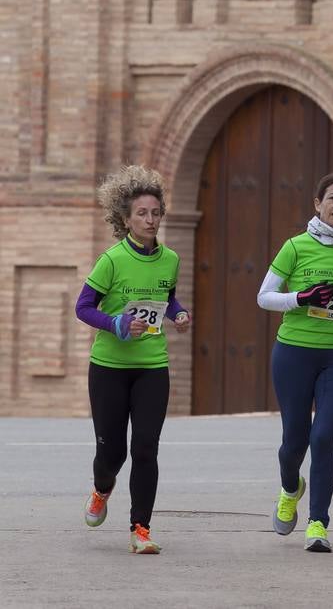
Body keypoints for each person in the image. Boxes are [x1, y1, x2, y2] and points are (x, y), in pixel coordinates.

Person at [75, 165, 190, 554]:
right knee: (112, 452)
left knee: (145, 448)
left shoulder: (170, 259)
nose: (150, 219)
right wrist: (117, 323)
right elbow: (83, 307)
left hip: (152, 367)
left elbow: (166, 297)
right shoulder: (111, 260)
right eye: (142, 213)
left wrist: (178, 313)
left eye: (156, 212)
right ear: (126, 219)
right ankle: (101, 489)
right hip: (108, 368)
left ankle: (140, 530)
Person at [257, 172, 333, 553]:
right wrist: (301, 297)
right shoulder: (295, 247)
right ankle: (291, 489)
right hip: (294, 353)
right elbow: (264, 296)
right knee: (295, 440)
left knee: (323, 437)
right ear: (317, 203)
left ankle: (318, 523)